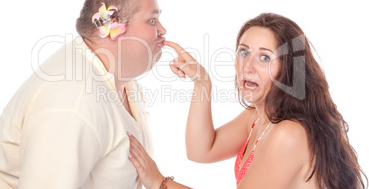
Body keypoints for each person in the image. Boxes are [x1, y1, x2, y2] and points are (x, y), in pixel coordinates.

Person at [127, 13, 368, 189]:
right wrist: (202, 83)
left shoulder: (290, 133)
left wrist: (160, 182)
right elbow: (200, 150)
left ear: (289, 69)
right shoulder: (257, 117)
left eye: (264, 57)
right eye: (244, 52)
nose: (248, 67)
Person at [0, 0, 167, 189]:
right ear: (112, 26)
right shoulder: (75, 102)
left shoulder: (118, 77)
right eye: (152, 20)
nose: (163, 30)